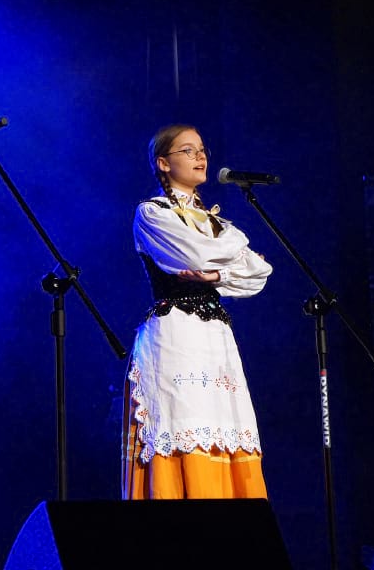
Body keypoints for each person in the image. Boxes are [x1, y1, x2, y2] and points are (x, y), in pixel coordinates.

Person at [121, 123, 273, 500]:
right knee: (184, 428)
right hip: (175, 337)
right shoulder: (152, 213)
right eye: (188, 151)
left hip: (215, 337)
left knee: (226, 428)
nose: (201, 156)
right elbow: (197, 254)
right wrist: (232, 251)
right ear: (163, 163)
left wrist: (220, 273)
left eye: (202, 148)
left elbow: (258, 273)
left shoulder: (213, 221)